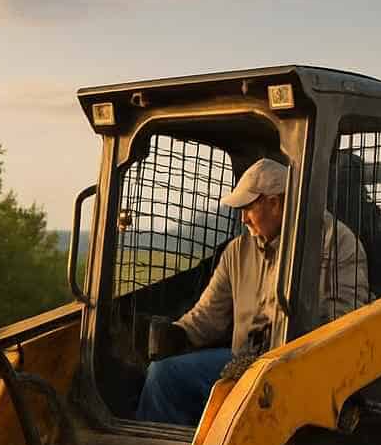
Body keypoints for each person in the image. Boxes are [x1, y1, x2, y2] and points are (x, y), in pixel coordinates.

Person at [134, 157, 369, 425]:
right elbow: (208, 315)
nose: (242, 217)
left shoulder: (336, 242)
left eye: (248, 207)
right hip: (241, 361)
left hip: (298, 369)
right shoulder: (237, 251)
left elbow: (344, 324)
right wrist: (176, 334)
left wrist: (278, 359)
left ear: (274, 203)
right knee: (163, 375)